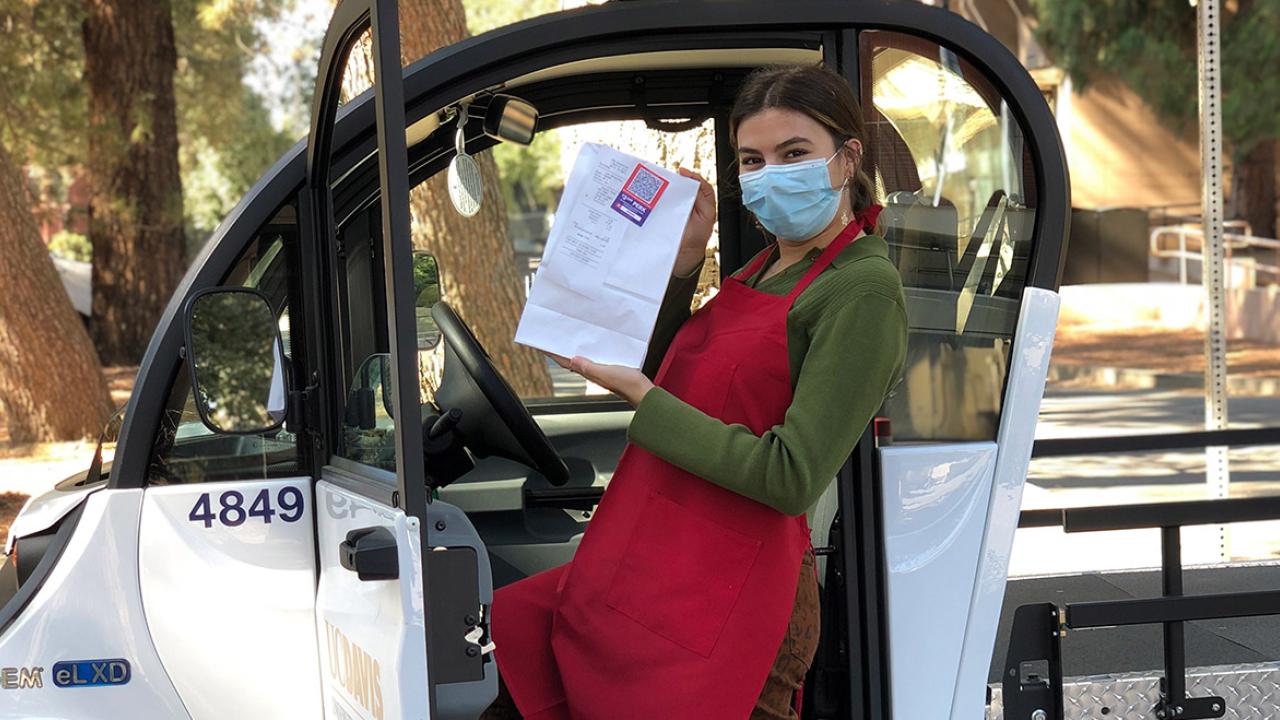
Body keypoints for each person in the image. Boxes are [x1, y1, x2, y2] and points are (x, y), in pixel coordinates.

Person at [482, 64, 908, 720]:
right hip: (662, 569)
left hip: (729, 596)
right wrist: (684, 261)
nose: (770, 174)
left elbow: (791, 474)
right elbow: (676, 374)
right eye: (753, 160)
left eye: (793, 154)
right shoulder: (765, 265)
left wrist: (646, 403)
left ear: (847, 159)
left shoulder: (863, 289)